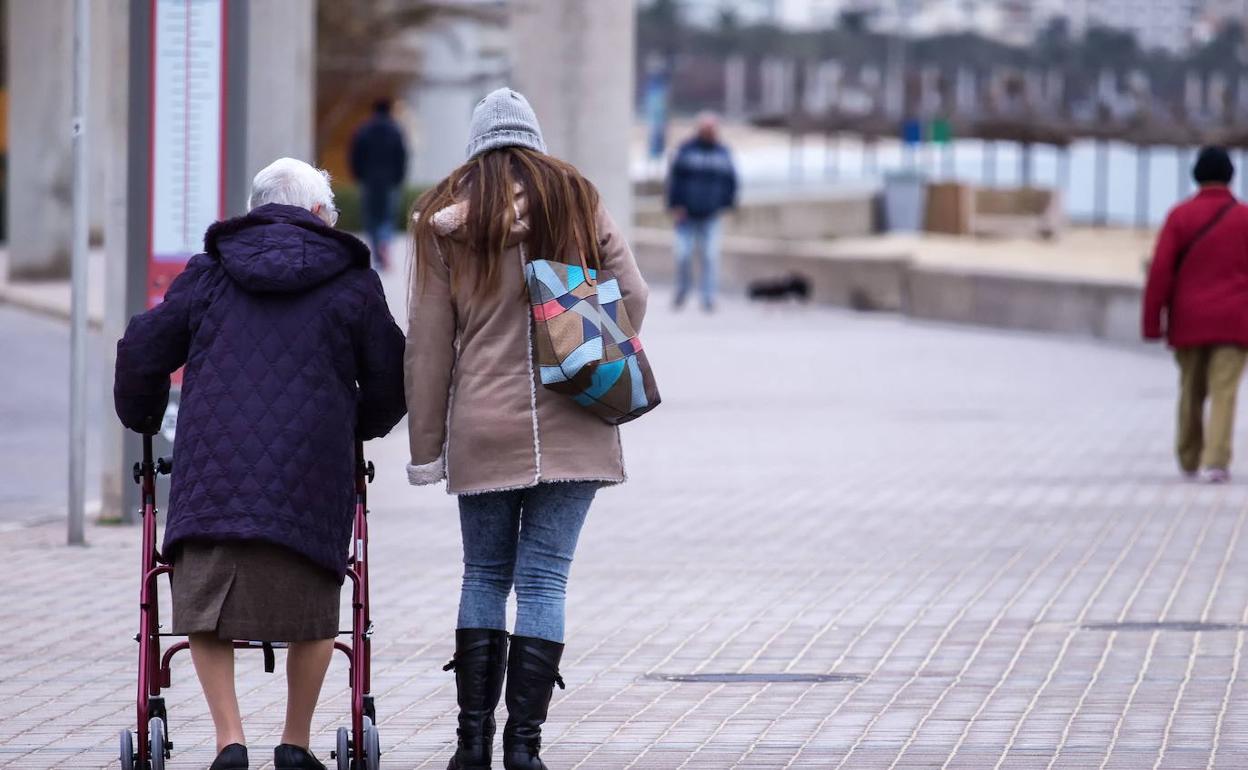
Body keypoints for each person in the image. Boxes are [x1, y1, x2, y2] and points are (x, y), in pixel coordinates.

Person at [113, 158, 407, 770]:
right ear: (322, 215)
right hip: (310, 473)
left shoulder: (210, 273)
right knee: (318, 599)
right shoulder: (352, 280)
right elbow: (389, 373)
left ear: (255, 210)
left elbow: (143, 347)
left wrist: (143, 416)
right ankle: (295, 743)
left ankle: (230, 741)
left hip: (213, 473)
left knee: (201, 600)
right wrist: (361, 428)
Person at [405, 87, 649, 770]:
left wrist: (426, 450)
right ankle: (525, 749)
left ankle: (470, 747)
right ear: (535, 137)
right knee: (544, 583)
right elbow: (634, 295)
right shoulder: (577, 197)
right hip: (576, 417)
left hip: (484, 423)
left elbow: (427, 343)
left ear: (475, 145)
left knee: (484, 575)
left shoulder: (440, 218)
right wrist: (587, 343)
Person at [1143, 146, 1248, 483]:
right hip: (1234, 320)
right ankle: (1216, 461)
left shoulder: (1179, 216)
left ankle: (1188, 455)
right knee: (1224, 390)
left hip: (1188, 320)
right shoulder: (1244, 217)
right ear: (1231, 177)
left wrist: (1151, 323)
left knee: (1191, 389)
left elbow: (1160, 272)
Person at [666, 111, 737, 311]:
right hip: (686, 214)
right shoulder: (686, 151)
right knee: (683, 254)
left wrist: (727, 204)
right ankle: (682, 290)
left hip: (711, 214)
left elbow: (730, 181)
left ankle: (708, 297)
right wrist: (674, 204)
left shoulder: (723, 153)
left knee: (710, 256)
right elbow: (674, 180)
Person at [350, 98, 409, 271]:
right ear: (389, 110)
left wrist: (359, 175)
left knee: (371, 218)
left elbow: (355, 155)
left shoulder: (363, 130)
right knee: (387, 216)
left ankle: (377, 252)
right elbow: (402, 157)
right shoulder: (395, 131)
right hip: (390, 181)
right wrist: (399, 178)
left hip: (369, 180)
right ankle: (385, 244)